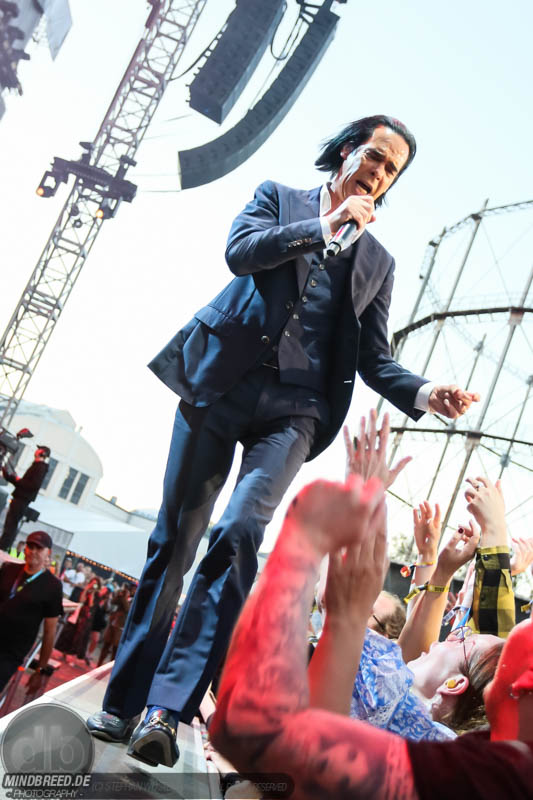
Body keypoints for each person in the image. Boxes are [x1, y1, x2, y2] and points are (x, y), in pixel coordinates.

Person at [87, 115, 479, 766]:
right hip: (218, 383)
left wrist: (424, 390)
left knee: (239, 531)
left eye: (391, 169)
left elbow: (374, 359)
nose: (379, 172)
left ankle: (165, 710)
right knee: (175, 541)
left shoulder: (378, 263)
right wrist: (324, 227)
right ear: (347, 151)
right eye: (374, 156)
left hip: (296, 410)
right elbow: (241, 252)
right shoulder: (278, 198)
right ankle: (124, 701)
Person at [210, 477, 533, 800]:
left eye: (457, 640)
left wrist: (307, 543)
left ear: (455, 685)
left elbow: (247, 732)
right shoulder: (445, 746)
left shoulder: (396, 707)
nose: (439, 640)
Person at [0, 530, 63, 694]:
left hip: (10, 653)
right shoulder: (8, 569)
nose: (33, 551)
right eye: (30, 546)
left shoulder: (53, 586)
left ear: (48, 553)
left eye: (39, 548)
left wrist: (40, 670)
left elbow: (49, 631)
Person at [0, 445, 50, 553]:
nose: (36, 451)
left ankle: (3, 547)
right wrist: (10, 477)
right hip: (20, 498)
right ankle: (3, 545)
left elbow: (33, 485)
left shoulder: (40, 467)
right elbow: (24, 484)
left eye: (39, 449)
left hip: (22, 500)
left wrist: (18, 480)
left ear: (42, 453)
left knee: (11, 524)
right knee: (10, 524)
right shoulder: (37, 466)